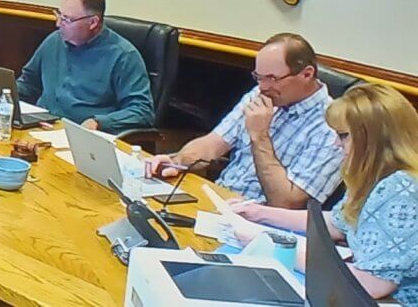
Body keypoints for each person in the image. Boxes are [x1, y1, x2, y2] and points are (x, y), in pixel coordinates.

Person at [229, 84, 418, 305]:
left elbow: (370, 284)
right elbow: (339, 222)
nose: (336, 143)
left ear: (373, 140)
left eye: (343, 136)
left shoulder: (401, 188)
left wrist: (275, 247)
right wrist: (261, 213)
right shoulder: (379, 176)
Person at [147, 33, 343, 208]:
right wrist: (177, 161)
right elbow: (213, 144)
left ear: (306, 74)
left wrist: (260, 136)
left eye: (272, 78)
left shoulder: (333, 127)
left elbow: (287, 202)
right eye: (259, 77)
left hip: (263, 222)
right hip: (220, 200)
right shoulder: (261, 93)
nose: (263, 86)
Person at [15, 0, 154, 134]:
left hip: (82, 136)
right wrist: (5, 93)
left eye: (67, 19)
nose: (58, 24)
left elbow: (142, 111)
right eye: (59, 15)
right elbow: (29, 83)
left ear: (93, 22)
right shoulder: (54, 40)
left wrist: (99, 122)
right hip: (40, 127)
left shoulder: (123, 55)